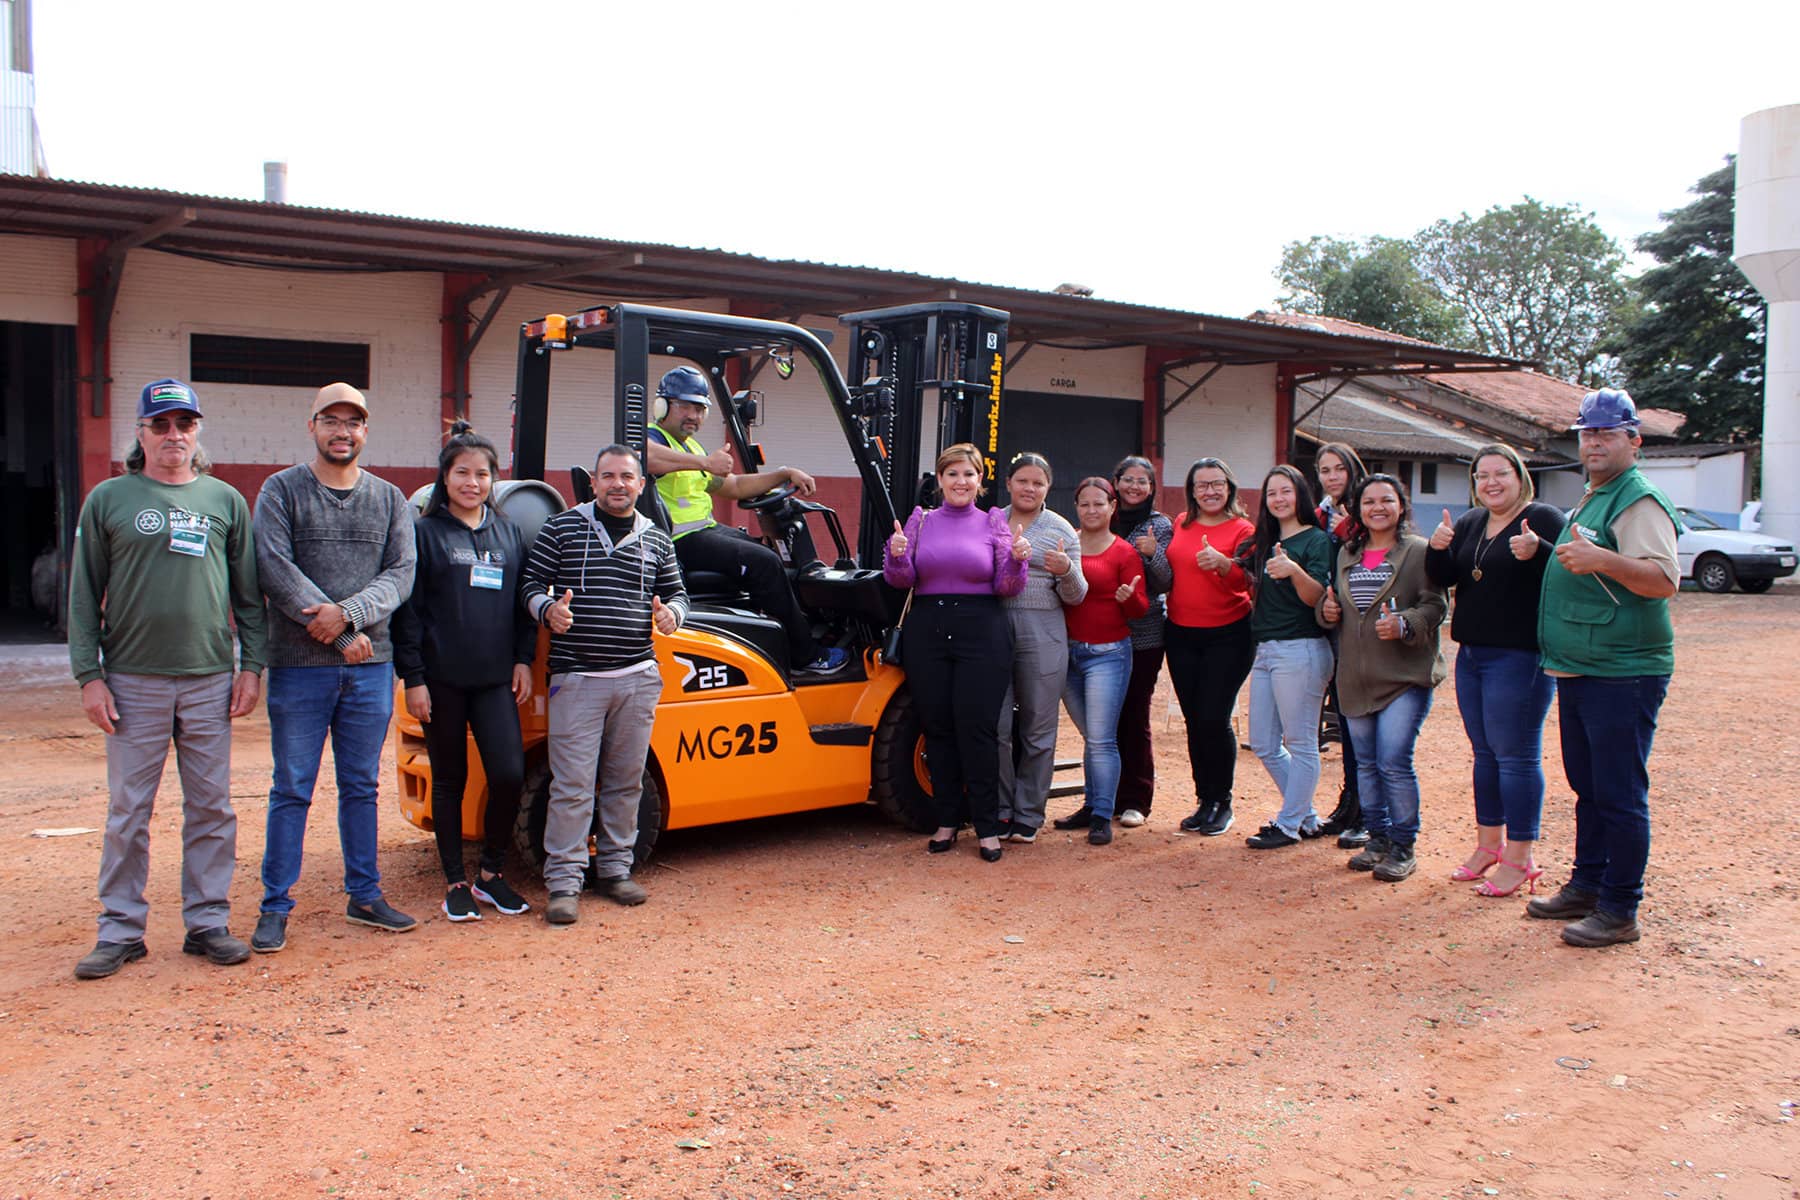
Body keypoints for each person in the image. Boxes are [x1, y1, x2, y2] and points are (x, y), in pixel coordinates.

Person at [66, 379, 266, 979]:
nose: (174, 435)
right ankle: (121, 930)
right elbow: (82, 596)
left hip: (208, 678)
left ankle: (207, 922)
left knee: (211, 807)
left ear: (197, 431)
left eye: (184, 424)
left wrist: (250, 666)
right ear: (141, 433)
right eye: (162, 425)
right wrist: (88, 676)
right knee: (129, 809)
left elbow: (248, 597)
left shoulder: (225, 501)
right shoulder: (108, 499)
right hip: (132, 681)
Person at [253, 383, 417, 953]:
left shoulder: (389, 499)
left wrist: (347, 617)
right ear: (312, 426)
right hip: (301, 668)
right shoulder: (281, 491)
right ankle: (275, 906)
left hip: (369, 669)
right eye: (331, 420)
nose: (342, 431)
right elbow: (274, 569)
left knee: (360, 786)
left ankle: (365, 895)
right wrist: (344, 633)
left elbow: (401, 574)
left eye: (353, 422)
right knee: (292, 787)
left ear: (366, 431)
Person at [1528, 389, 1680, 948]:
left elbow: (1663, 580)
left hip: (1623, 669)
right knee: (1588, 786)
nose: (1593, 441)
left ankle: (1620, 907)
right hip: (1582, 665)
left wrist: (1602, 560)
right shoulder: (1596, 495)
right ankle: (1588, 884)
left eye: (1606, 433)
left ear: (1633, 440)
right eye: (1587, 433)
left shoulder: (1637, 499)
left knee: (1618, 791)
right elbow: (1587, 570)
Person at [522, 444, 688, 925]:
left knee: (625, 781)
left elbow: (678, 592)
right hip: (577, 679)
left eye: (627, 477)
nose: (618, 484)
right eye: (608, 476)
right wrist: (548, 610)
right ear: (593, 483)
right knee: (572, 786)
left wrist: (671, 615)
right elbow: (530, 586)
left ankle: (616, 871)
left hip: (636, 678)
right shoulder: (563, 529)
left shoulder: (656, 538)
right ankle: (564, 883)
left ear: (640, 484)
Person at [391, 422, 537, 923]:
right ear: (444, 479)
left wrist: (522, 658)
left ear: (494, 479)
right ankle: (455, 880)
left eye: (482, 474)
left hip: (495, 679)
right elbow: (406, 612)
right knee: (449, 779)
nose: (472, 482)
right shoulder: (424, 534)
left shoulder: (508, 533)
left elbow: (522, 604)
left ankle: (491, 875)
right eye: (461, 473)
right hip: (441, 682)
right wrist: (413, 678)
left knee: (508, 773)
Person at [1425, 444, 1566, 898]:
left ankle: (1520, 858)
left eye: (1500, 474)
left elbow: (1568, 570)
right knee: (1484, 753)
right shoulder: (1471, 522)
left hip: (1520, 656)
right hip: (1473, 654)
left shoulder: (1542, 517)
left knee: (1516, 755)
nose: (1490, 483)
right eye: (1481, 476)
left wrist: (1538, 550)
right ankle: (1489, 846)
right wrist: (1437, 548)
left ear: (1519, 475)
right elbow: (1445, 577)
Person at [643, 365, 848, 676]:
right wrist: (705, 462)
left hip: (703, 532)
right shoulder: (650, 438)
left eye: (700, 409)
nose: (694, 416)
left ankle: (776, 636)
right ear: (662, 406)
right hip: (676, 543)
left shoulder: (690, 446)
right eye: (685, 406)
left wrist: (782, 473)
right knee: (763, 562)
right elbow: (643, 456)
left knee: (770, 556)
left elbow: (735, 486)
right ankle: (804, 656)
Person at [884, 443, 1028, 862]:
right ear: (941, 480)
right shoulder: (920, 520)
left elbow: (1006, 586)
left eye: (968, 474)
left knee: (978, 729)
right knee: (938, 727)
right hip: (928, 628)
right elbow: (903, 579)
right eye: (952, 474)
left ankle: (986, 827)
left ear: (979, 481)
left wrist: (1018, 562)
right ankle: (947, 820)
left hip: (981, 629)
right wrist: (895, 555)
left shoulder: (994, 522)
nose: (960, 482)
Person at [1319, 474, 1447, 882]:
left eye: (1386, 500)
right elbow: (1334, 606)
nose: (1378, 507)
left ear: (1401, 506)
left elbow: (1435, 605)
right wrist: (1328, 612)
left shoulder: (1419, 552)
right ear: (1357, 509)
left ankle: (1403, 844)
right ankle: (1377, 838)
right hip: (1355, 676)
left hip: (1404, 675)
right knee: (1367, 764)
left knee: (1394, 761)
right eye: (1369, 501)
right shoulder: (1346, 553)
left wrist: (1406, 624)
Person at [1048, 477, 1149, 846]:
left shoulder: (1123, 552)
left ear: (1112, 507)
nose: (1092, 510)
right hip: (1069, 653)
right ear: (1077, 507)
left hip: (1107, 654)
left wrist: (1128, 598)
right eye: (1085, 504)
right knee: (1092, 736)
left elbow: (1140, 609)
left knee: (1102, 739)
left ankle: (1104, 814)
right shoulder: (1067, 542)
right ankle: (1092, 805)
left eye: (1099, 504)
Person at [1240, 465, 1334, 849]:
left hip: (1302, 648)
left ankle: (1291, 823)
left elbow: (1316, 597)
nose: (1278, 499)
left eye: (1286, 491)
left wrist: (1293, 569)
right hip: (1266, 649)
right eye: (1271, 493)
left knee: (1300, 741)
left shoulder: (1316, 541)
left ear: (1301, 495)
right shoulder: (1264, 541)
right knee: (1263, 741)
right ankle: (1307, 816)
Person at [996, 453, 1086, 844]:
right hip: (994, 629)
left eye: (1038, 483)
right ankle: (1000, 810)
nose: (1030, 488)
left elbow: (1078, 595)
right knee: (996, 727)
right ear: (1009, 483)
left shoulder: (1060, 528)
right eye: (1023, 481)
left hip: (1043, 629)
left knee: (1038, 727)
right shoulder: (990, 522)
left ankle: (1028, 813)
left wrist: (1066, 570)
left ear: (1048, 488)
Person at [1165, 458, 1257, 838]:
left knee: (1213, 718)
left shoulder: (1244, 529)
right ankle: (1204, 799)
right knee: (1193, 720)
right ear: (1192, 490)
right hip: (1181, 633)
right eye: (1202, 485)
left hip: (1229, 633)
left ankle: (1223, 801)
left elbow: (1249, 582)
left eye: (1217, 484)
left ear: (1230, 487)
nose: (1210, 491)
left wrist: (1224, 565)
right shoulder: (1180, 523)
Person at [1109, 456, 1174, 828]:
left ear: (1151, 488)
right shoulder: (1104, 516)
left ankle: (1136, 798)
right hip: (1099, 633)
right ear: (1115, 482)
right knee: (1103, 721)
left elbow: (1166, 581)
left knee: (1134, 716)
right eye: (1128, 479)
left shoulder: (1158, 526)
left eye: (1142, 481)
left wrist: (1153, 554)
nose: (1134, 487)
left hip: (1143, 637)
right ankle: (1104, 797)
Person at [1313, 442, 1369, 849]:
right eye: (1325, 470)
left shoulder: (1369, 509)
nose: (1333, 477)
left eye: (1339, 469)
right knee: (1344, 720)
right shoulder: (1320, 515)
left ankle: (1368, 810)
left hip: (1365, 628)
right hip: (1332, 624)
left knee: (1363, 721)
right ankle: (1349, 803)